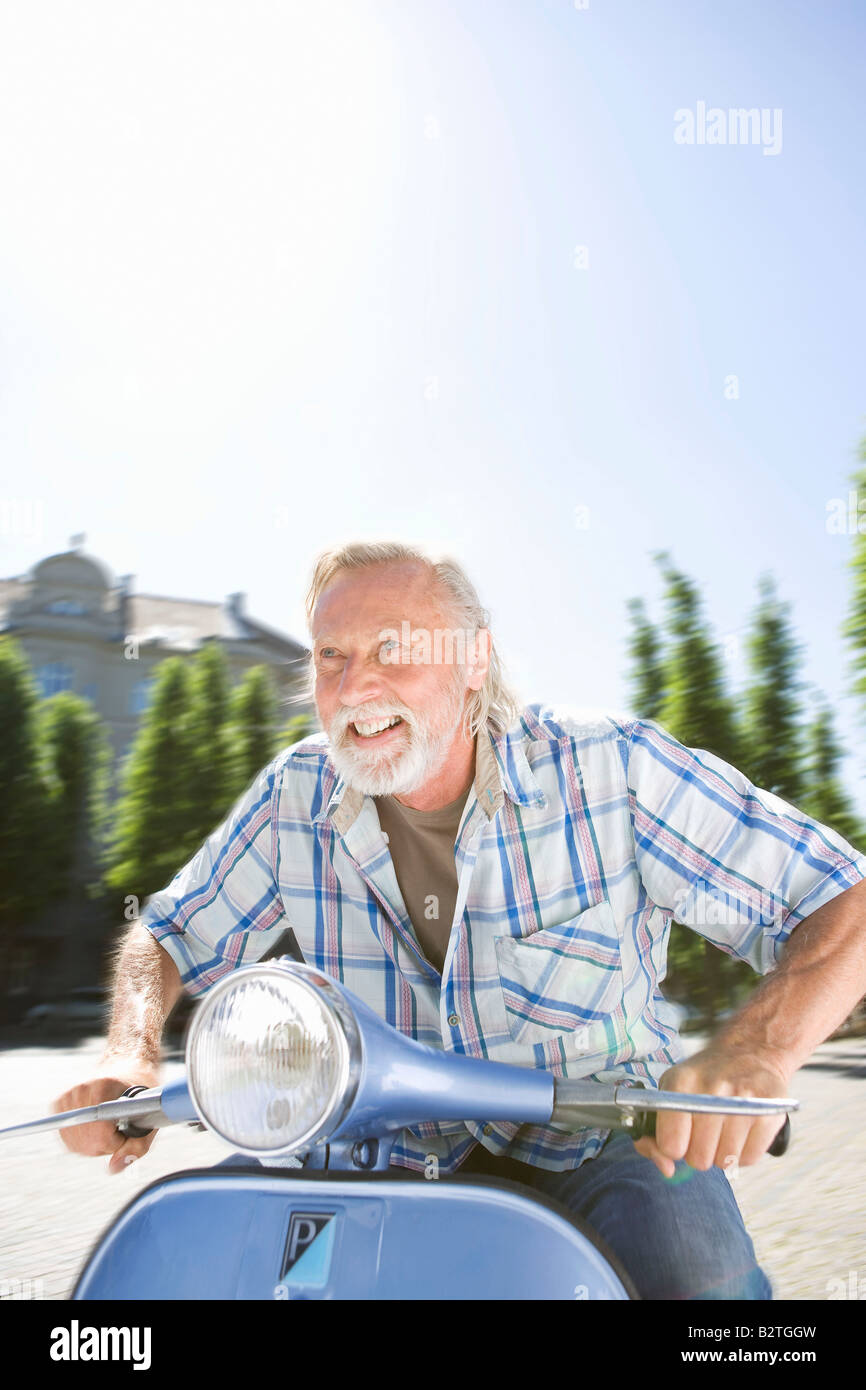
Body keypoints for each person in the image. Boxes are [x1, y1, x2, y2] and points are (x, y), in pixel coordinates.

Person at [55, 541, 866, 1299]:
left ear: (474, 659)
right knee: (187, 1264)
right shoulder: (290, 798)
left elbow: (841, 897)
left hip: (606, 1141)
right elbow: (164, 933)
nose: (354, 686)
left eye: (393, 650)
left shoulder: (611, 769)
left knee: (705, 1281)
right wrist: (129, 1050)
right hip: (374, 1151)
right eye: (331, 656)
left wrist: (756, 1051)